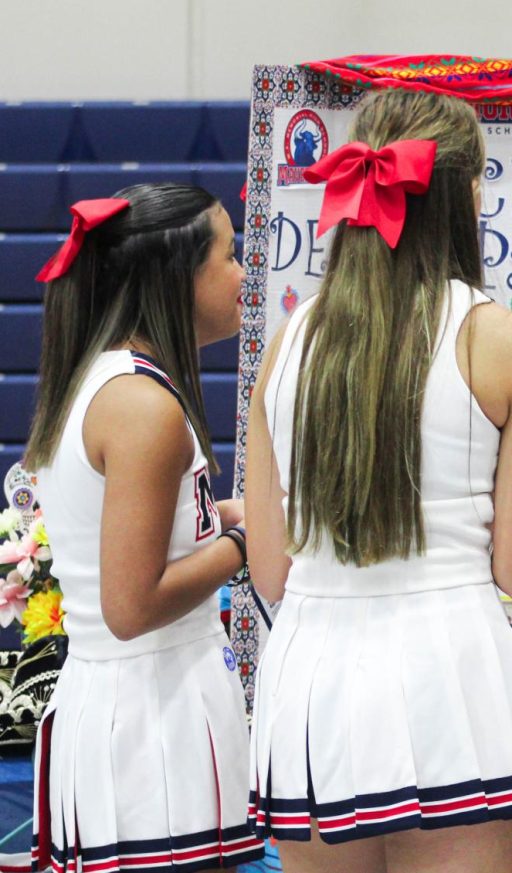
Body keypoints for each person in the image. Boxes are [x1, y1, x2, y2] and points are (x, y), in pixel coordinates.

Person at [244, 88, 512, 873]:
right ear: (462, 193)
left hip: (310, 680)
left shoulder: (285, 346)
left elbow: (269, 570)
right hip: (452, 675)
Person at [25, 185, 264, 871]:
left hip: (141, 716)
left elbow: (129, 532)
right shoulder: (140, 405)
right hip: (148, 735)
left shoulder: (106, 382)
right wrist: (248, 544)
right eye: (228, 255)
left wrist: (225, 516)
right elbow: (130, 605)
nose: (244, 274)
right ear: (176, 276)